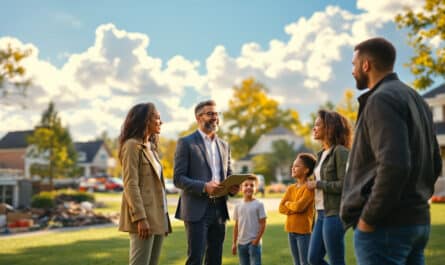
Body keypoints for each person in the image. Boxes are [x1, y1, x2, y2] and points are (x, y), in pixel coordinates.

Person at [340, 37, 442, 265]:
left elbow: (395, 165)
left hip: (386, 227)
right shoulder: (416, 99)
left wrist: (369, 218)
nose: (353, 71)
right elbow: (435, 162)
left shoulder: (381, 99)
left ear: (366, 64)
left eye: (354, 64)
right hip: (417, 223)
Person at [173, 99, 240, 265]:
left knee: (215, 259)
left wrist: (232, 186)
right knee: (195, 258)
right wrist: (204, 187)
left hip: (220, 209)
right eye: (210, 114)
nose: (215, 117)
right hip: (197, 210)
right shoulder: (186, 143)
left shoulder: (224, 145)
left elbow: (228, 173)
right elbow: (178, 178)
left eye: (217, 114)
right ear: (198, 117)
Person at [118, 102, 172, 265]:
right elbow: (130, 184)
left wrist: (164, 220)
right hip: (143, 218)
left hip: (158, 216)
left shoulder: (152, 149)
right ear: (145, 120)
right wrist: (140, 218)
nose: (160, 122)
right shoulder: (131, 146)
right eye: (157, 117)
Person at [306, 110, 351, 265]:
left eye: (318, 124)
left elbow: (345, 185)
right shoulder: (321, 154)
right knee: (313, 258)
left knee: (336, 260)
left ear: (330, 128)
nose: (314, 128)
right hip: (320, 214)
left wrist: (318, 184)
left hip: (335, 213)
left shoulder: (340, 152)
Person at [279, 153, 317, 265]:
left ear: (306, 170)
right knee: (296, 263)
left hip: (303, 232)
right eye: (293, 165)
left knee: (305, 263)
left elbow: (300, 207)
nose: (293, 168)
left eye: (297, 166)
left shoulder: (309, 188)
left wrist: (288, 204)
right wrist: (293, 206)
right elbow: (281, 208)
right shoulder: (291, 188)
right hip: (291, 230)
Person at [232, 175, 267, 265]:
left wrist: (257, 240)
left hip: (253, 243)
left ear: (256, 188)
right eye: (246, 185)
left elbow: (263, 224)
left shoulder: (259, 204)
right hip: (241, 244)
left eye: (252, 185)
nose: (249, 187)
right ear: (241, 188)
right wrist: (234, 243)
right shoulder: (238, 205)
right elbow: (236, 226)